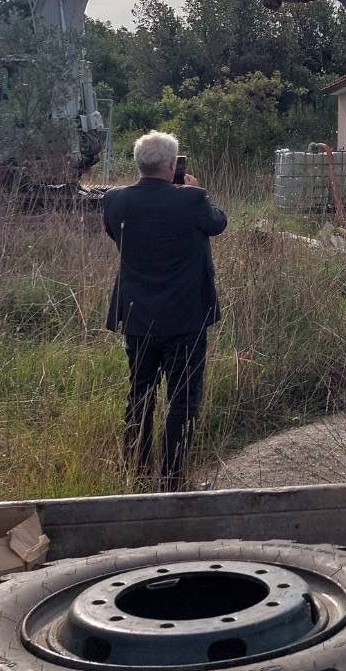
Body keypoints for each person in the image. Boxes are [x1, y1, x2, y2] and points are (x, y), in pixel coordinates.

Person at [102, 130, 227, 490]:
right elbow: (218, 223)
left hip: (138, 316)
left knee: (139, 393)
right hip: (185, 318)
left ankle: (138, 474)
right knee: (183, 396)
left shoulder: (114, 201)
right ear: (172, 165)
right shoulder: (191, 199)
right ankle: (172, 479)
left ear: (140, 164)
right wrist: (191, 189)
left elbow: (116, 235)